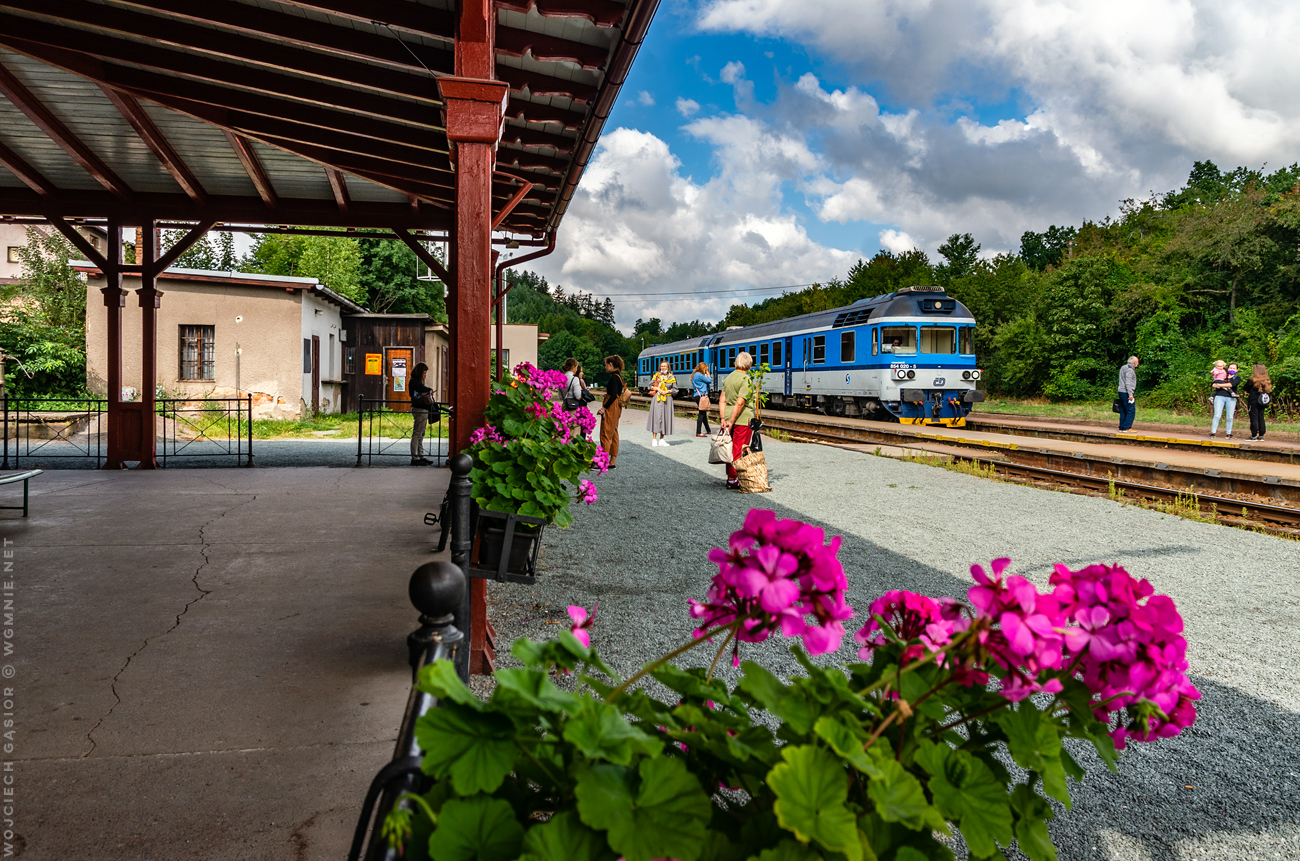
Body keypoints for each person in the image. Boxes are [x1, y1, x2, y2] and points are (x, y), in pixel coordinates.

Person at [718, 351, 755, 490]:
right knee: (739, 449)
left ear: (736, 363)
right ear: (749, 364)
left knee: (729, 447)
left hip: (727, 416)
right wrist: (732, 421)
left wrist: (723, 418)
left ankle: (730, 476)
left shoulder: (729, 378)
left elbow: (722, 400)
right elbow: (740, 403)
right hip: (741, 419)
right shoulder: (746, 380)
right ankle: (733, 479)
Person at [596, 355, 624, 468]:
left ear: (611, 364)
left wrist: (604, 408)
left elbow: (612, 396)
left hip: (611, 407)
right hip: (617, 407)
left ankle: (603, 461)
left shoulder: (613, 378)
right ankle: (612, 460)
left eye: (606, 365)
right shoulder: (619, 377)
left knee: (606, 433)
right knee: (614, 433)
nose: (605, 367)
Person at [408, 361, 434, 465]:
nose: (425, 375)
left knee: (421, 433)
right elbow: (424, 389)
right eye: (424, 373)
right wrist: (429, 389)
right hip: (419, 409)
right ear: (419, 372)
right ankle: (415, 457)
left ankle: (420, 455)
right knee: (417, 433)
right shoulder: (415, 382)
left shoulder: (415, 381)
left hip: (421, 409)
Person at [646, 360, 675, 446]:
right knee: (656, 418)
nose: (663, 368)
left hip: (667, 399)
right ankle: (654, 439)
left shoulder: (672, 377)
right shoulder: (656, 376)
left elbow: (675, 389)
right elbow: (649, 386)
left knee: (665, 418)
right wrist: (658, 389)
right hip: (658, 399)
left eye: (664, 366)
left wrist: (667, 391)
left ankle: (662, 439)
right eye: (662, 366)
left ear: (668, 367)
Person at [1242, 363, 1273, 441]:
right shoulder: (1267, 380)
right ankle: (1261, 435)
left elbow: (1245, 388)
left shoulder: (1252, 379)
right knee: (1261, 417)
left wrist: (1248, 391)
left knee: (1254, 417)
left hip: (1253, 400)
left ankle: (1254, 435)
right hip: (1262, 401)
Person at [1209, 361, 1238, 438]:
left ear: (1237, 370)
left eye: (1234, 368)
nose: (1232, 369)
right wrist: (1217, 385)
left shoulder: (1237, 378)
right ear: (1227, 368)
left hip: (1231, 399)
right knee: (1217, 415)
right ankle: (1213, 432)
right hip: (1219, 396)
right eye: (1231, 368)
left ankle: (1229, 433)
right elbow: (1213, 384)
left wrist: (1220, 385)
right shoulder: (1223, 375)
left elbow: (1231, 385)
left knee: (1230, 416)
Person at [1117, 355, 1139, 432]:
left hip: (1121, 391)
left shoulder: (1123, 367)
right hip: (1126, 392)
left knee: (1123, 409)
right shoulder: (1130, 370)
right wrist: (1130, 394)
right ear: (1134, 362)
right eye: (1137, 362)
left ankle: (1122, 427)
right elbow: (1128, 383)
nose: (1138, 363)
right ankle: (1127, 427)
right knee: (1131, 410)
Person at [692, 362, 712, 437]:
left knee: (703, 413)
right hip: (701, 396)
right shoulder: (699, 375)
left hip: (698, 395)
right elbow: (709, 380)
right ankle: (698, 432)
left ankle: (708, 430)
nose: (706, 370)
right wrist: (708, 373)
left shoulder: (696, 374)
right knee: (701, 414)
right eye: (706, 368)